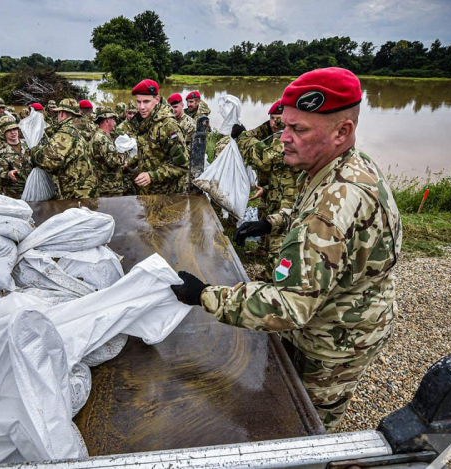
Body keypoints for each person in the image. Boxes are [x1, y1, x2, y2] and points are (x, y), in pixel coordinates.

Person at [171, 68, 402, 432]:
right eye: (285, 126)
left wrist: (206, 295)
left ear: (343, 131)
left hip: (335, 339)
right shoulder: (347, 167)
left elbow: (291, 307)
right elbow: (308, 214)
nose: (284, 139)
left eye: (299, 130)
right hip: (347, 313)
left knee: (304, 424)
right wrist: (272, 222)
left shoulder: (329, 211)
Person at [235, 100, 301, 278]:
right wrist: (264, 188)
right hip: (273, 192)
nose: (274, 123)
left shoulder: (286, 138)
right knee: (263, 218)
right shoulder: (275, 134)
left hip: (288, 200)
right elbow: (277, 171)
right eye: (271, 118)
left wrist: (242, 137)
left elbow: (262, 159)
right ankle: (262, 251)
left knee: (278, 241)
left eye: (279, 119)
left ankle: (272, 279)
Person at [31, 98, 98, 199]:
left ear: (62, 113)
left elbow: (49, 160)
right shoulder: (83, 128)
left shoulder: (66, 132)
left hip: (75, 193)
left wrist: (33, 152)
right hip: (86, 189)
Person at [131, 79, 188, 195]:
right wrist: (130, 163)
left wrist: (152, 176)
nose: (141, 107)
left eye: (146, 102)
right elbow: (147, 150)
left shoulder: (168, 126)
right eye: (138, 102)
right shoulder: (145, 121)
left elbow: (182, 166)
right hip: (148, 193)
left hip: (166, 194)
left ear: (157, 99)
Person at [0, 115, 33, 198]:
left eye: (14, 129)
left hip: (34, 188)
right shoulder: (2, 152)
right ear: (3, 133)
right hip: (16, 194)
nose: (13, 132)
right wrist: (8, 174)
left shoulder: (29, 144)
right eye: (9, 130)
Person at [91, 106, 123, 197]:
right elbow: (113, 162)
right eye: (113, 119)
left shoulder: (99, 136)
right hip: (109, 188)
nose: (115, 122)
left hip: (105, 186)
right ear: (107, 120)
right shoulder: (103, 139)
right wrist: (126, 152)